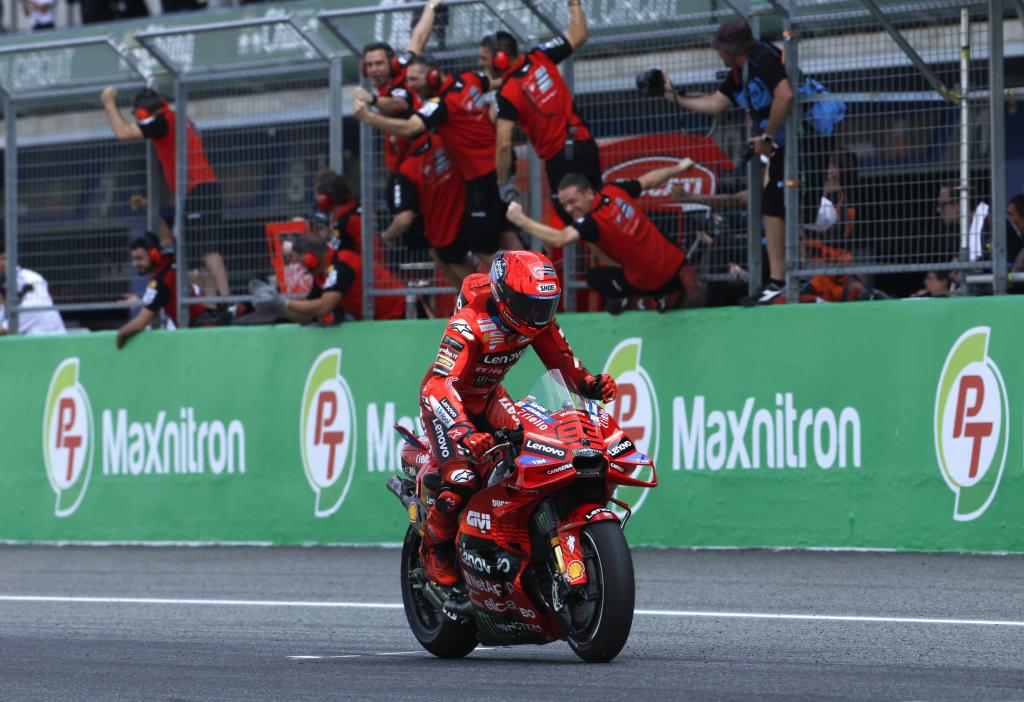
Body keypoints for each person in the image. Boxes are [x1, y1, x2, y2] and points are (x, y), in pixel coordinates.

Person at [418, 250, 617, 586]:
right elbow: (438, 384)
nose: (539, 315)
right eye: (530, 305)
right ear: (504, 296)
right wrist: (463, 430)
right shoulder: (467, 324)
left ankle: (513, 536)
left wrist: (589, 384)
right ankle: (434, 547)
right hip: (447, 407)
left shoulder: (537, 320)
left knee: (531, 452)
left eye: (546, 306)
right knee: (463, 477)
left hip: (491, 395)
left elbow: (563, 361)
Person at [662, 19, 794, 305]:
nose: (718, 53)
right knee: (771, 201)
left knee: (780, 201)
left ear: (732, 49)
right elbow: (714, 103)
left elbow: (785, 94)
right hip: (780, 144)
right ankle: (778, 280)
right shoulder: (738, 73)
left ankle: (782, 280)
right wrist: (675, 97)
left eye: (721, 48)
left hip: (801, 139)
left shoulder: (763, 58)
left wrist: (767, 138)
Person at [353, 55, 520, 264]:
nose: (411, 86)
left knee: (482, 245)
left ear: (433, 75)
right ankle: (538, 274)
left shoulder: (440, 103)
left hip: (483, 175)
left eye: (414, 80)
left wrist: (369, 117)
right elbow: (499, 81)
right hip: (497, 168)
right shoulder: (469, 79)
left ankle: (524, 284)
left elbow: (410, 128)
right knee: (506, 231)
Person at [505, 162, 701, 313]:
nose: (570, 209)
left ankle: (645, 299)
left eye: (573, 201)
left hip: (654, 281)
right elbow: (648, 181)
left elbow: (560, 239)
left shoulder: (592, 222)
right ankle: (676, 282)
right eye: (565, 205)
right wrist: (680, 167)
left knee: (595, 278)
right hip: (676, 261)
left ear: (589, 192)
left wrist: (520, 220)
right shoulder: (615, 190)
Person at [100, 86, 229, 299]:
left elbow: (123, 133)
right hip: (196, 189)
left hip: (199, 188)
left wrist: (108, 103)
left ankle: (225, 300)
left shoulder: (162, 121)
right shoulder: (173, 118)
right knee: (196, 253)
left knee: (207, 249)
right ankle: (211, 306)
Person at [493, 4, 596, 224]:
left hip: (560, 157)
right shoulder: (539, 55)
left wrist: (502, 183)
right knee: (598, 214)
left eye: (484, 58)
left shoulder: (508, 91)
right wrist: (574, 4)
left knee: (575, 221)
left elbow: (503, 143)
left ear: (500, 58)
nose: (480, 63)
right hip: (584, 143)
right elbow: (579, 35)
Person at [350, 0, 442, 174]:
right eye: (369, 65)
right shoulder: (401, 64)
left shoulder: (397, 84)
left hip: (419, 159)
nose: (374, 70)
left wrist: (372, 100)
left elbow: (397, 103)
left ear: (391, 63)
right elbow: (418, 38)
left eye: (379, 64)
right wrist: (430, 7)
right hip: (406, 160)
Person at [382, 133, 476, 284]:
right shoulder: (439, 141)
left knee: (465, 270)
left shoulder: (408, 169)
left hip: (447, 221)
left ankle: (486, 302)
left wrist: (387, 235)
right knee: (459, 267)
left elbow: (404, 219)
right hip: (447, 219)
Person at [249, 233, 404, 324]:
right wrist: (278, 308)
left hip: (401, 315)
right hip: (384, 321)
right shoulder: (322, 276)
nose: (300, 267)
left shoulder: (342, 264)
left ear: (311, 257)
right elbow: (307, 315)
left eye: (299, 260)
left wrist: (285, 302)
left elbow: (324, 307)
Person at [116, 234, 205, 350]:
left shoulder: (161, 280)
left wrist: (120, 335)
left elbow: (141, 322)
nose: (135, 264)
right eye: (133, 259)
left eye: (139, 258)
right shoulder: (169, 269)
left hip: (198, 333)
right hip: (198, 330)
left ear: (154, 255)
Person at [0, 242, 65, 335]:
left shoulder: (32, 282)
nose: (2, 264)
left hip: (52, 346)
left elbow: (3, 330)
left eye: (4, 258)